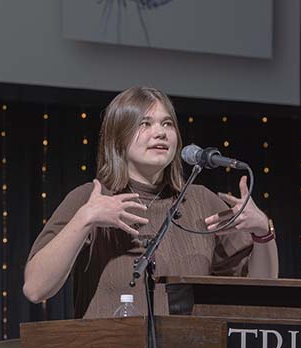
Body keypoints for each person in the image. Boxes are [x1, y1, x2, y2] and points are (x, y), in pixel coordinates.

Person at [23, 86, 278, 318]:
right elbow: (36, 289)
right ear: (118, 137)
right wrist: (85, 219)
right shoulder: (90, 199)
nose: (160, 133)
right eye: (145, 124)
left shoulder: (201, 201)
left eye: (167, 124)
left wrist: (262, 232)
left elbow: (258, 293)